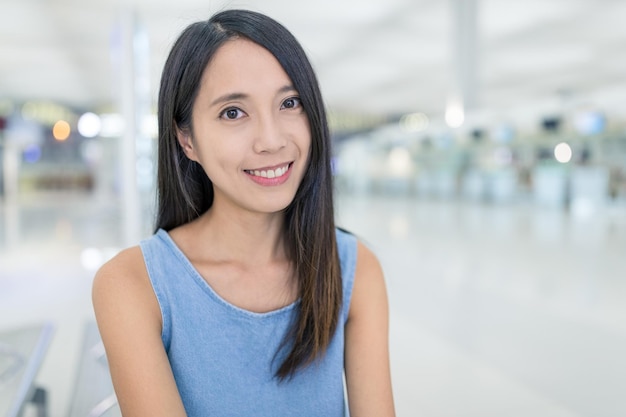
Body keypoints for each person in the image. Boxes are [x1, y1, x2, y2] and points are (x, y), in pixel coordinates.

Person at [92, 9, 395, 417]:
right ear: (187, 140)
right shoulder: (134, 285)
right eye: (233, 112)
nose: (271, 140)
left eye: (290, 103)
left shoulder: (353, 268)